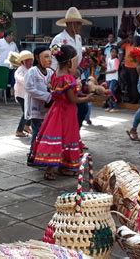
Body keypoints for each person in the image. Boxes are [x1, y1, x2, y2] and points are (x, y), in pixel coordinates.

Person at [29, 45, 95, 180]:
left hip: (56, 110)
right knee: (66, 138)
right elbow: (72, 99)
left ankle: (60, 168)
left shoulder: (55, 75)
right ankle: (53, 169)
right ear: (70, 61)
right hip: (66, 112)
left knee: (59, 138)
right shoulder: (67, 78)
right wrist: (87, 98)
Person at [24, 47, 54, 165]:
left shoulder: (51, 72)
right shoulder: (32, 71)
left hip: (47, 108)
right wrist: (47, 96)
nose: (49, 59)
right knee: (37, 132)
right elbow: (29, 88)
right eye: (46, 57)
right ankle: (32, 154)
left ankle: (40, 154)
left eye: (50, 56)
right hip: (35, 108)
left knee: (44, 133)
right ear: (37, 57)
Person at [14, 50, 33, 137]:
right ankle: (19, 130)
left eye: (31, 60)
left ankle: (26, 126)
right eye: (28, 60)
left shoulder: (31, 69)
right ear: (23, 61)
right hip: (21, 95)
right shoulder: (20, 70)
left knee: (30, 111)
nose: (30, 62)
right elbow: (20, 78)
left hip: (28, 95)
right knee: (26, 112)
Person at [121, 36, 140, 104]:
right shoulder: (127, 45)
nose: (131, 39)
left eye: (133, 38)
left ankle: (135, 99)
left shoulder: (138, 47)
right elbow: (118, 45)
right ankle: (130, 98)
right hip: (126, 67)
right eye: (130, 38)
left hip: (134, 68)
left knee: (134, 84)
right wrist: (125, 39)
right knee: (128, 83)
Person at [104, 47, 120, 111]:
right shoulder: (109, 59)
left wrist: (107, 72)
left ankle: (115, 107)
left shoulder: (116, 60)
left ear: (116, 54)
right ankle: (110, 106)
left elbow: (115, 70)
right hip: (108, 78)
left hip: (114, 78)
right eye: (112, 52)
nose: (113, 53)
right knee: (109, 92)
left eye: (114, 52)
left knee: (111, 91)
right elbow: (108, 67)